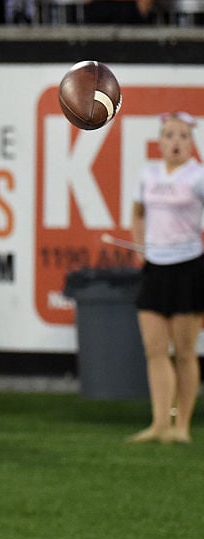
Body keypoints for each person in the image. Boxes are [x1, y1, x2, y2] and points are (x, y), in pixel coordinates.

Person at [126, 111, 204, 444]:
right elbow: (139, 211)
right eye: (170, 135)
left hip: (188, 267)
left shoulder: (198, 176)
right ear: (160, 142)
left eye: (183, 136)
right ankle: (159, 423)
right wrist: (140, 245)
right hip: (155, 268)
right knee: (155, 349)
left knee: (184, 351)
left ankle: (181, 426)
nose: (176, 142)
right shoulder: (148, 174)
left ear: (192, 142)